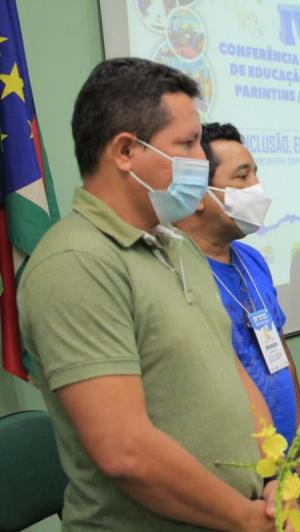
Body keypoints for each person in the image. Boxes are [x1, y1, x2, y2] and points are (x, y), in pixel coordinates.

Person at [17, 58, 283, 530]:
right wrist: (243, 516)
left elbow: (231, 371)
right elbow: (126, 450)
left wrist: (272, 473)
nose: (201, 162)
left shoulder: (178, 246)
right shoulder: (76, 264)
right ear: (124, 151)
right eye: (186, 144)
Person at [175, 122, 300, 496]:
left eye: (256, 172)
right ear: (199, 193)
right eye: (242, 176)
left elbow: (280, 348)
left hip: (285, 452)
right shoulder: (177, 272)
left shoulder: (251, 258)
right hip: (232, 472)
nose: (257, 186)